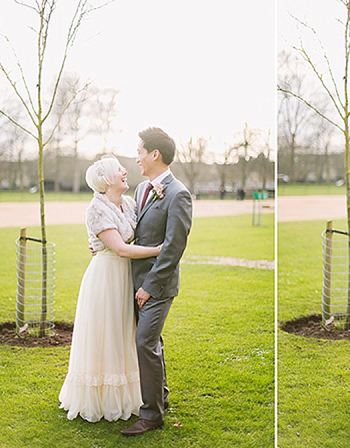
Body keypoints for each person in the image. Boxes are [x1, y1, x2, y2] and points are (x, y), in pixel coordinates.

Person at [59, 156, 162, 422]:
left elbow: (143, 226)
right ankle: (101, 398)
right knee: (104, 334)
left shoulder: (128, 203)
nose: (125, 171)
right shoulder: (96, 209)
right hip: (105, 278)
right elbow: (120, 248)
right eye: (119, 170)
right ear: (106, 181)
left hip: (125, 276)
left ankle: (128, 394)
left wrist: (159, 195)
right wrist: (158, 251)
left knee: (122, 334)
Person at [120, 127, 193, 436]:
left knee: (144, 342)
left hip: (157, 287)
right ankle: (159, 397)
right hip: (134, 281)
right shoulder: (141, 189)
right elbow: (133, 231)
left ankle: (151, 415)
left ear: (154, 154)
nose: (136, 158)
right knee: (152, 342)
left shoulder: (178, 194)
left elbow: (174, 246)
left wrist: (149, 286)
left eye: (139, 152)